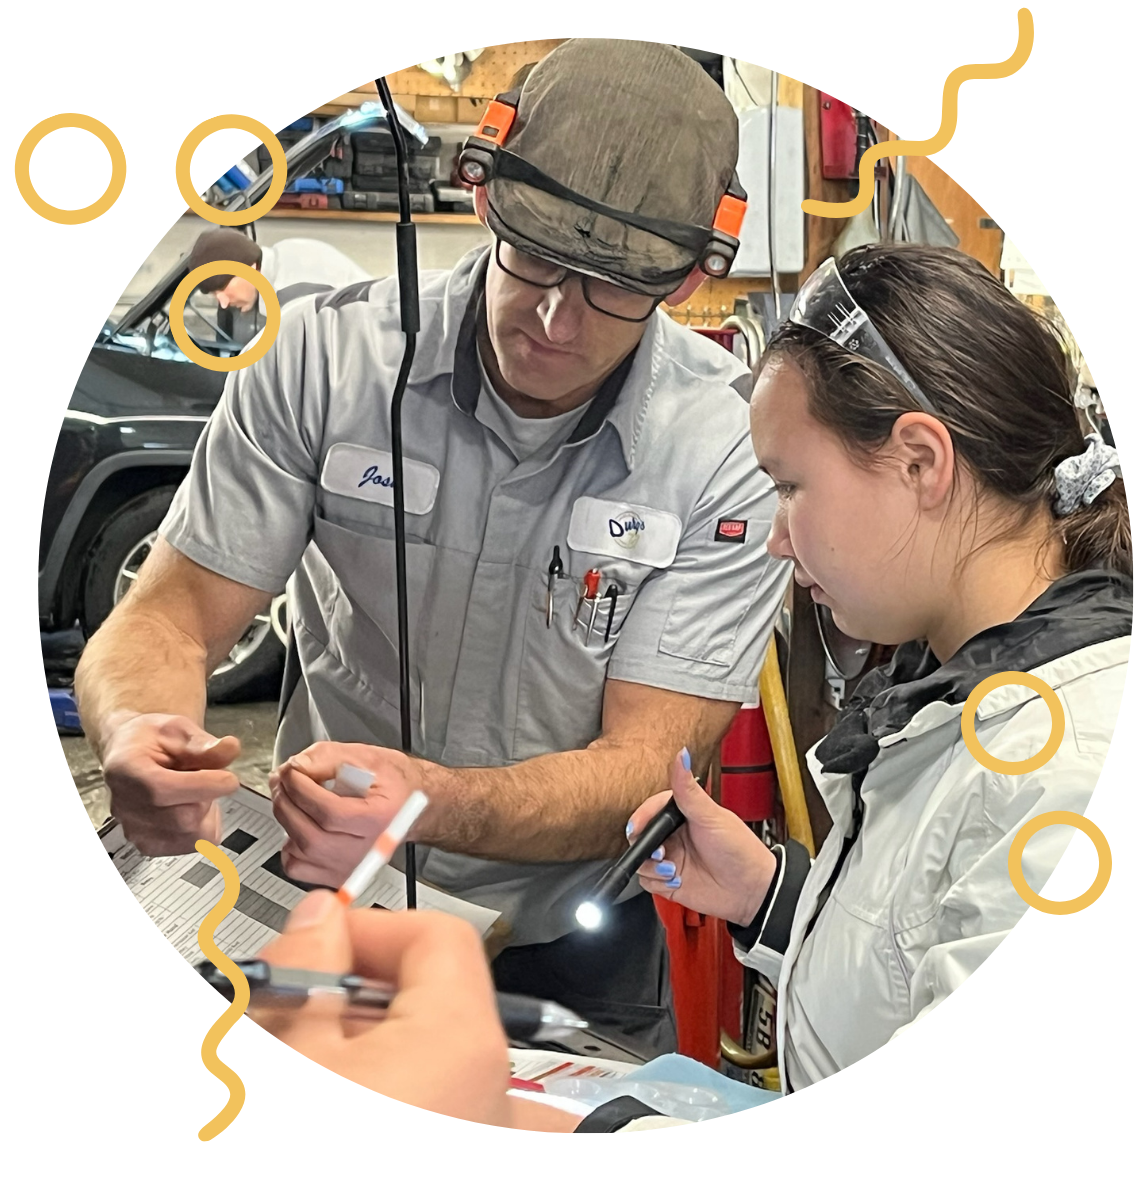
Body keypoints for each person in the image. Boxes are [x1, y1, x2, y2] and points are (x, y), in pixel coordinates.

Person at [250, 242, 1130, 1132]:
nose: (779, 540)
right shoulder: (962, 694)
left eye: (791, 487)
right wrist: (779, 900)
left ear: (919, 462)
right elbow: (924, 969)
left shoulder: (1065, 774)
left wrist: (534, 1126)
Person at [75, 38, 791, 1058]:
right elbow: (173, 613)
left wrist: (428, 802)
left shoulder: (727, 448)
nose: (553, 315)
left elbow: (639, 767)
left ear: (682, 282)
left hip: (571, 951)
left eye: (610, 287)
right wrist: (138, 731)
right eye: (534, 253)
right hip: (324, 907)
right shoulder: (322, 361)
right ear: (481, 194)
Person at [186, 227, 371, 313]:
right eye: (215, 295)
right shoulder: (286, 251)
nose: (224, 303)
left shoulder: (290, 297)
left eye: (223, 289)